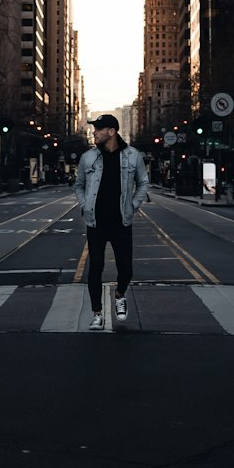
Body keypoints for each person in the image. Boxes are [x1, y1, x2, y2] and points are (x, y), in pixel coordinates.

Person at [74, 115, 150, 330]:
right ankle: (97, 313)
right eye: (94, 129)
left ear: (112, 131)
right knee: (95, 267)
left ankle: (119, 294)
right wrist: (84, 204)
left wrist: (133, 206)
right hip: (96, 223)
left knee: (126, 269)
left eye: (98, 129)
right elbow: (79, 185)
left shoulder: (133, 156)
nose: (94, 132)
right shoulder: (88, 158)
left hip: (121, 222)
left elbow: (143, 183)